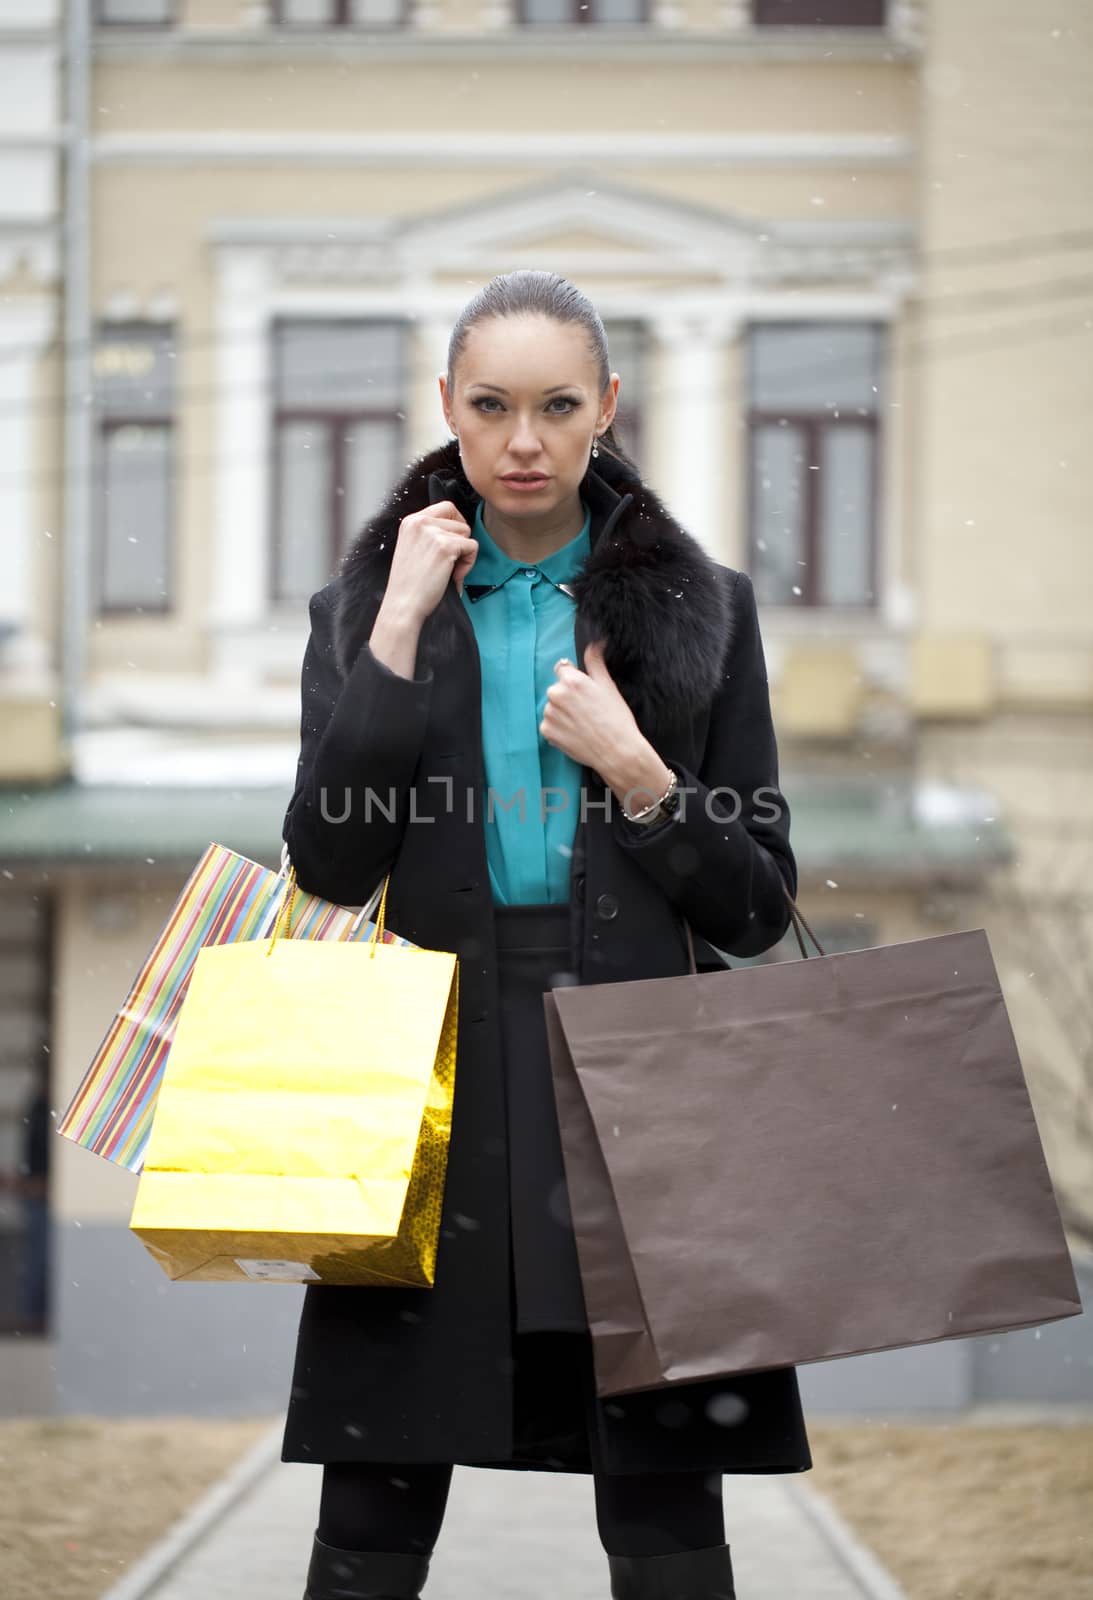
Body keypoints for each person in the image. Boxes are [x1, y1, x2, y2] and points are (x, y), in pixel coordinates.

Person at [281, 269, 811, 1600]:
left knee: (664, 1510)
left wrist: (639, 772)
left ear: (605, 410)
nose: (523, 441)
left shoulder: (711, 612)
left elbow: (755, 910)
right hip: (434, 1085)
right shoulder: (362, 614)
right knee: (375, 1504)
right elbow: (331, 864)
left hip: (639, 1089)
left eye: (556, 405)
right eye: (492, 406)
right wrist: (398, 623)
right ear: (447, 410)